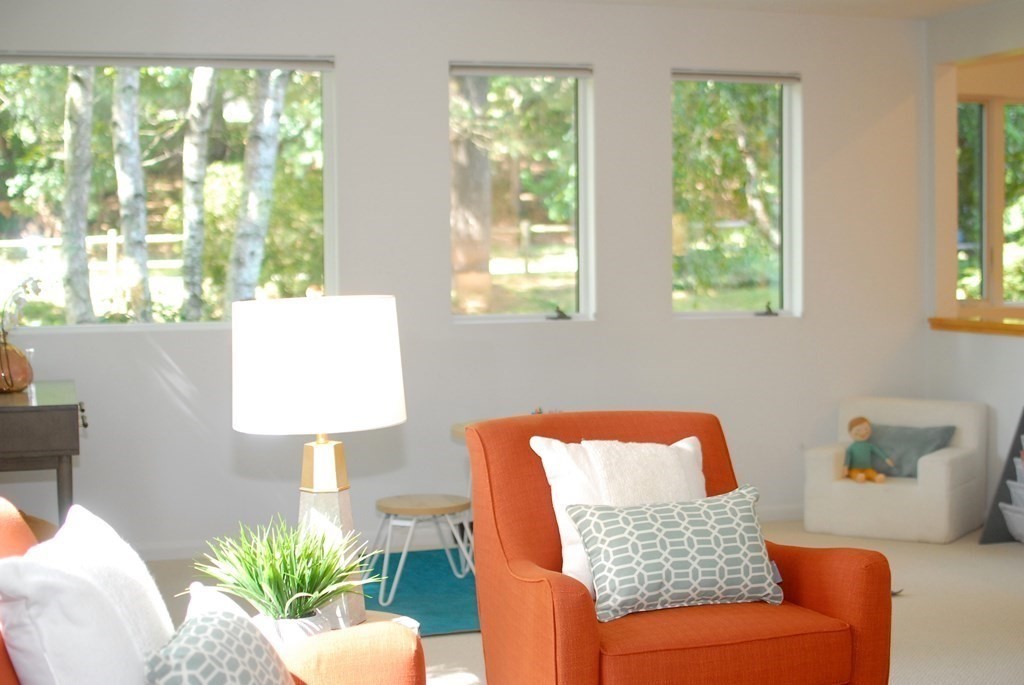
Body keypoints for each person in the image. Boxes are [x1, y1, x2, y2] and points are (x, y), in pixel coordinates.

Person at [844, 416, 894, 483]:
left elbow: (878, 452)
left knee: (871, 473)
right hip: (854, 469)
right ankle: (858, 477)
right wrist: (845, 467)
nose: (863, 432)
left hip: (868, 468)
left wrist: (886, 459)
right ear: (850, 433)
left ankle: (876, 477)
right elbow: (847, 457)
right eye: (858, 430)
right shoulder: (852, 447)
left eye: (866, 430)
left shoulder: (869, 446)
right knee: (854, 473)